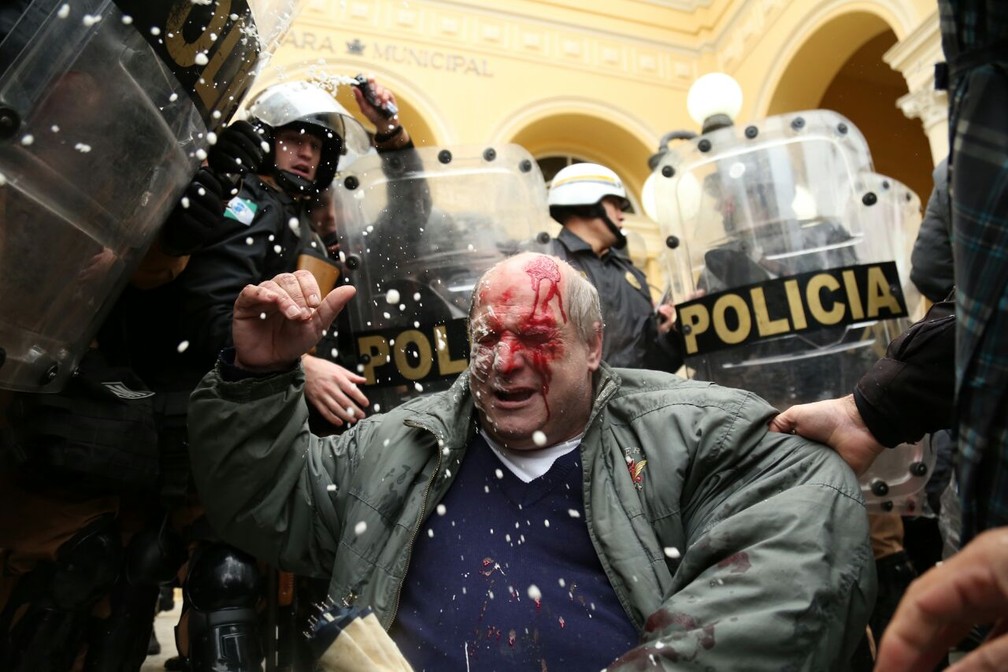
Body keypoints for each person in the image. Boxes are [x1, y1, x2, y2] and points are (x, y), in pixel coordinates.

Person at [186, 252, 875, 671]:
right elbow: (264, 502)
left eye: (538, 338)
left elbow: (800, 546)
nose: (505, 363)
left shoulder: (694, 434)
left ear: (594, 346)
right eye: (488, 337)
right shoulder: (399, 443)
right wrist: (257, 378)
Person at [545, 162, 684, 371]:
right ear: (587, 203)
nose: (622, 215)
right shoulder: (545, 262)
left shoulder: (632, 275)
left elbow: (653, 366)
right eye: (615, 205)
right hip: (572, 392)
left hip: (633, 392)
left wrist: (673, 334)